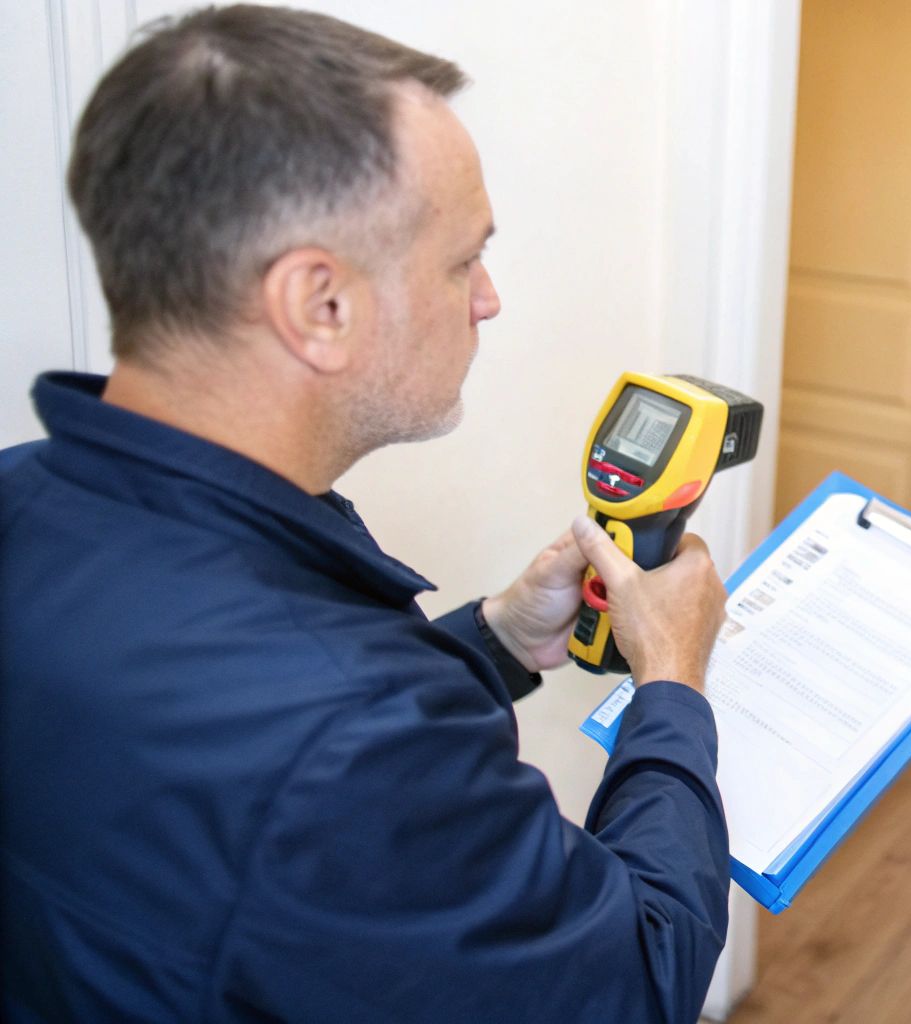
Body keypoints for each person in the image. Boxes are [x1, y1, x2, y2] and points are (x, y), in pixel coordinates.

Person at [0, 6, 732, 1022]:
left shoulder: (21, 499)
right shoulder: (358, 739)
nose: (489, 299)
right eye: (462, 259)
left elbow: (242, 792)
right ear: (320, 306)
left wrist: (494, 638)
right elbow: (639, 978)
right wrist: (672, 685)